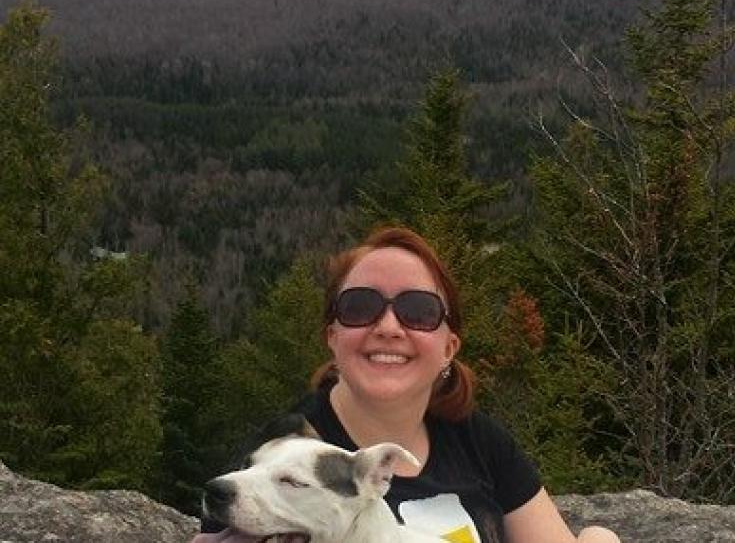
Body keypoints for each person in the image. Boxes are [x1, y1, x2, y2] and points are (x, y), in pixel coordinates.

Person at [193, 226, 619, 543]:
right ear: (332, 336)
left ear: (449, 346)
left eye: (418, 311)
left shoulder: (479, 440)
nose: (388, 327)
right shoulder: (283, 446)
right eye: (361, 307)